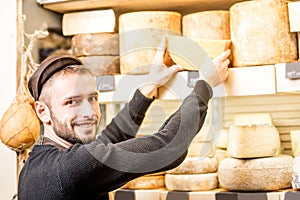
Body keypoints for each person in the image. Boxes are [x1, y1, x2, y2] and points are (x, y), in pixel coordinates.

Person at [18, 37, 230, 200]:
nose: (89, 112)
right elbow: (167, 146)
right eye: (71, 102)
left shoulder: (39, 165)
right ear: (42, 111)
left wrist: (148, 88)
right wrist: (205, 85)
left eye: (92, 98)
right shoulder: (67, 170)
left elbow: (108, 141)